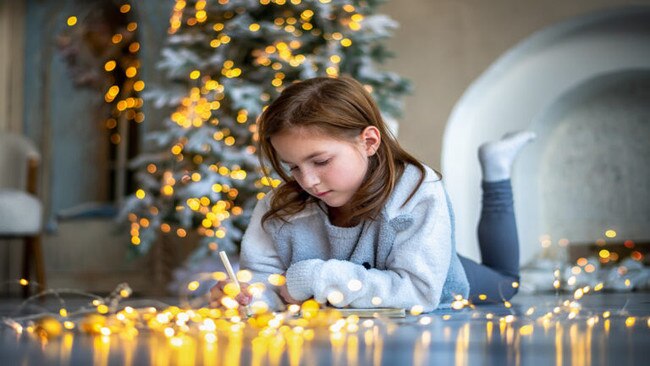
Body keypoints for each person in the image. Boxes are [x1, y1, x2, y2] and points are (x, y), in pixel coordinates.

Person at [209, 76, 535, 312]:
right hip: (397, 262)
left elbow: (419, 291)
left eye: (320, 161)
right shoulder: (280, 207)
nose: (306, 180)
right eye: (292, 166)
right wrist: (250, 297)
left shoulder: (418, 192)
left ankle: (496, 169)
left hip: (438, 271)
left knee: (508, 283)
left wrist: (315, 278)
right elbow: (270, 284)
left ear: (369, 142)